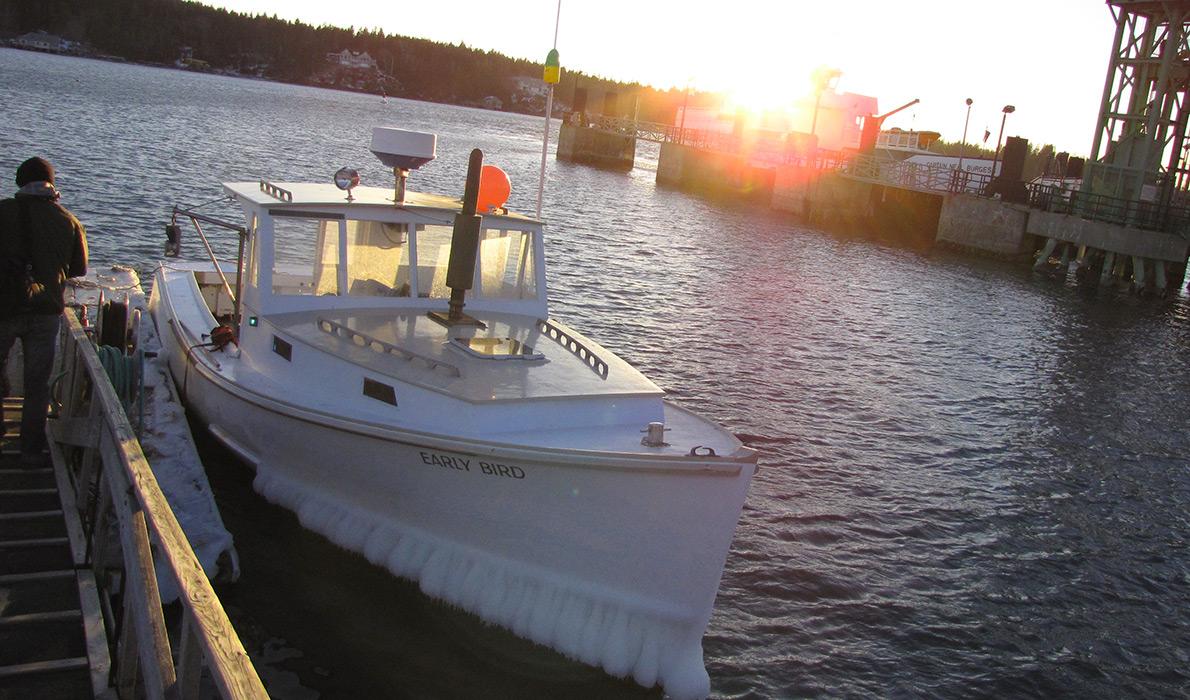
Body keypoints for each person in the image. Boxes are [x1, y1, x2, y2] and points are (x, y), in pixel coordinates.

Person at [0, 157, 88, 467]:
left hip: (4, 308)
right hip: (46, 312)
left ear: (20, 183)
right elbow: (79, 267)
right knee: (37, 384)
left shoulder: (3, 211)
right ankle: (30, 451)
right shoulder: (68, 220)